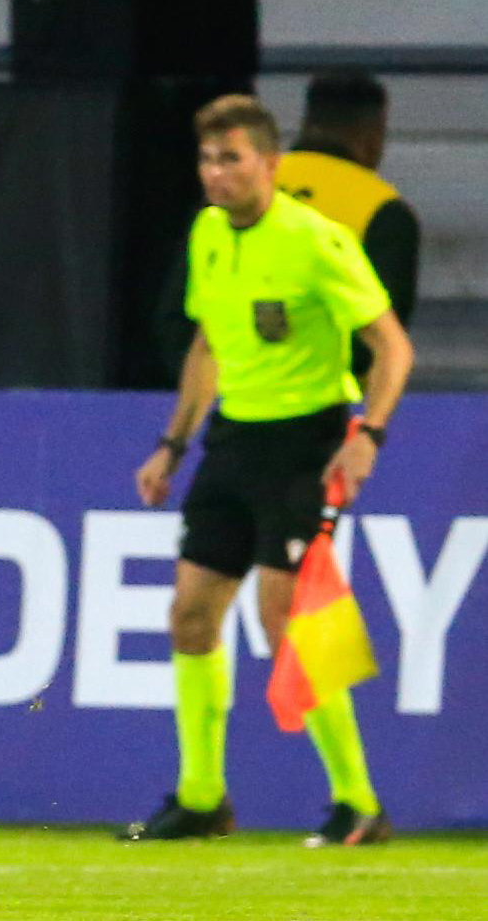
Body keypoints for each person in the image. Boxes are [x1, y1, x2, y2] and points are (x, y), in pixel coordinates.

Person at [125, 95, 415, 847]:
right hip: (233, 441)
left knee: (285, 615)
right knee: (191, 614)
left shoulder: (315, 241)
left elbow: (391, 346)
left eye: (231, 158)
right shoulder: (207, 232)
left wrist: (368, 435)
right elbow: (206, 345)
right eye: (206, 159)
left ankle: (358, 802)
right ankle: (200, 798)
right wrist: (173, 444)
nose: (215, 173)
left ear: (270, 163)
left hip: (306, 442)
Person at [276, 70, 422, 379]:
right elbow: (381, 342)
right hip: (333, 400)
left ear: (306, 122)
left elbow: (179, 315)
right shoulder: (383, 211)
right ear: (374, 135)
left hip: (234, 392)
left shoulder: (240, 187)